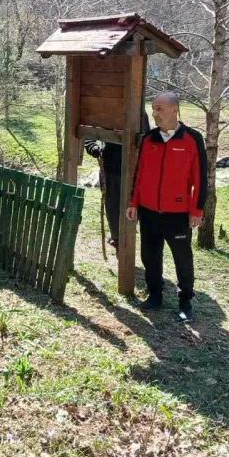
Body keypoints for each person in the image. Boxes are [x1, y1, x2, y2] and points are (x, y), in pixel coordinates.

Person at [126, 93, 207, 322]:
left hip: (178, 214)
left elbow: (200, 178)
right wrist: (133, 203)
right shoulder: (149, 138)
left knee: (182, 259)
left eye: (160, 108)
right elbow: (140, 174)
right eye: (153, 108)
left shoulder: (192, 139)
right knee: (150, 256)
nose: (155, 113)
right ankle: (155, 295)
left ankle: (185, 301)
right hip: (149, 211)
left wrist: (197, 210)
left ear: (174, 109)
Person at [84, 107, 152, 250]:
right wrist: (93, 148)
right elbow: (89, 134)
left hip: (133, 169)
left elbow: (146, 138)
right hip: (110, 168)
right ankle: (117, 241)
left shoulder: (138, 112)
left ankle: (128, 241)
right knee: (113, 207)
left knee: (132, 208)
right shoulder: (105, 109)